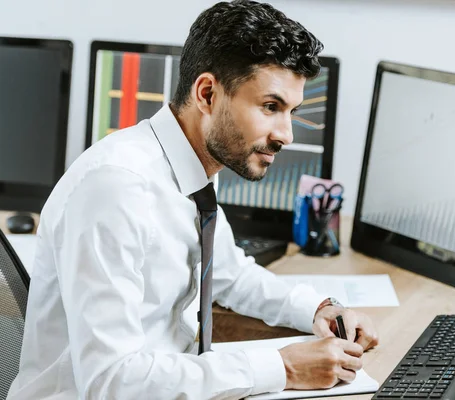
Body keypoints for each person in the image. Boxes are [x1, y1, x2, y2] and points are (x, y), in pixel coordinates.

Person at [8, 1, 379, 399]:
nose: (286, 134)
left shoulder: (193, 167)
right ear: (207, 94)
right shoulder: (115, 190)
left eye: (291, 111)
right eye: (271, 107)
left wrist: (318, 307)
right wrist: (283, 366)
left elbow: (229, 275)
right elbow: (111, 381)